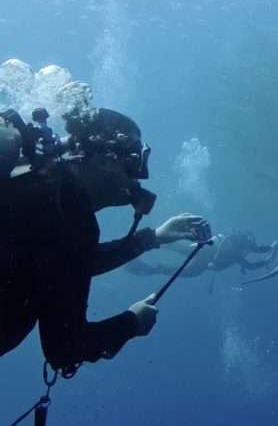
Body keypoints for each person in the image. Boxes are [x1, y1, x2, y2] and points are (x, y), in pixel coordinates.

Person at [0, 106, 210, 374]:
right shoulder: (71, 213)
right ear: (104, 158)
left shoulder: (36, 182)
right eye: (133, 161)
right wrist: (131, 323)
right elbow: (65, 347)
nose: (139, 177)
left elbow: (64, 266)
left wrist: (153, 238)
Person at [126, 229, 276, 285]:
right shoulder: (237, 247)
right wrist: (266, 260)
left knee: (181, 252)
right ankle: (154, 260)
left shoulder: (239, 247)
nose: (249, 250)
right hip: (207, 255)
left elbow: (255, 253)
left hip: (205, 251)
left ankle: (155, 244)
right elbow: (249, 263)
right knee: (187, 268)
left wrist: (270, 250)